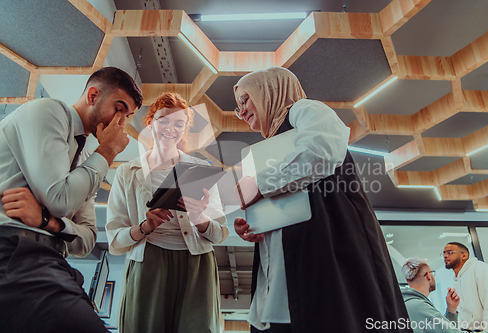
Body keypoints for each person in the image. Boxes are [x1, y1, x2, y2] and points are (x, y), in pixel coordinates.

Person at [232, 67, 411, 332]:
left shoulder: (306, 110)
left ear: (269, 90)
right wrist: (253, 226)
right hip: (287, 266)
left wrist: (259, 184)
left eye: (245, 100)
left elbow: (322, 152)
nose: (242, 111)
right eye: (238, 107)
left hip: (328, 248)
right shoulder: (268, 148)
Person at [0, 66, 143, 333]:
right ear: (92, 96)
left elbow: (87, 240)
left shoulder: (86, 160)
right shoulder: (49, 111)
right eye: (119, 108)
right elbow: (60, 200)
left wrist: (50, 223)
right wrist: (108, 150)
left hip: (52, 259)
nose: (121, 123)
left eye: (129, 116)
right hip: (12, 247)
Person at [106, 92, 228, 333]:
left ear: (184, 130)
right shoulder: (128, 172)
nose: (170, 128)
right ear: (151, 123)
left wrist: (199, 219)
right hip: (148, 261)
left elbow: (220, 233)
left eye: (179, 123)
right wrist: (144, 227)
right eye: (163, 120)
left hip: (196, 264)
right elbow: (115, 240)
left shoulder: (201, 170)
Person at [443, 242, 488, 332]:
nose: (445, 256)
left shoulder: (480, 269)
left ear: (464, 256)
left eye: (450, 252)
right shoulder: (457, 279)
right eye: (444, 253)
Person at [401, 257, 462, 332]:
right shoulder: (419, 307)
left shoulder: (405, 305)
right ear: (428, 275)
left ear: (407, 280)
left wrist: (451, 309)